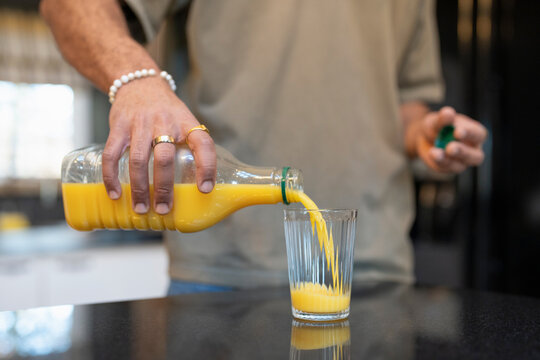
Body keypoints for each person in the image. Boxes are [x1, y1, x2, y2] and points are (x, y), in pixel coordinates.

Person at [41, 0, 487, 292]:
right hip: (223, 272)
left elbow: (408, 105)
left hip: (372, 269)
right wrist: (136, 79)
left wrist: (423, 135)